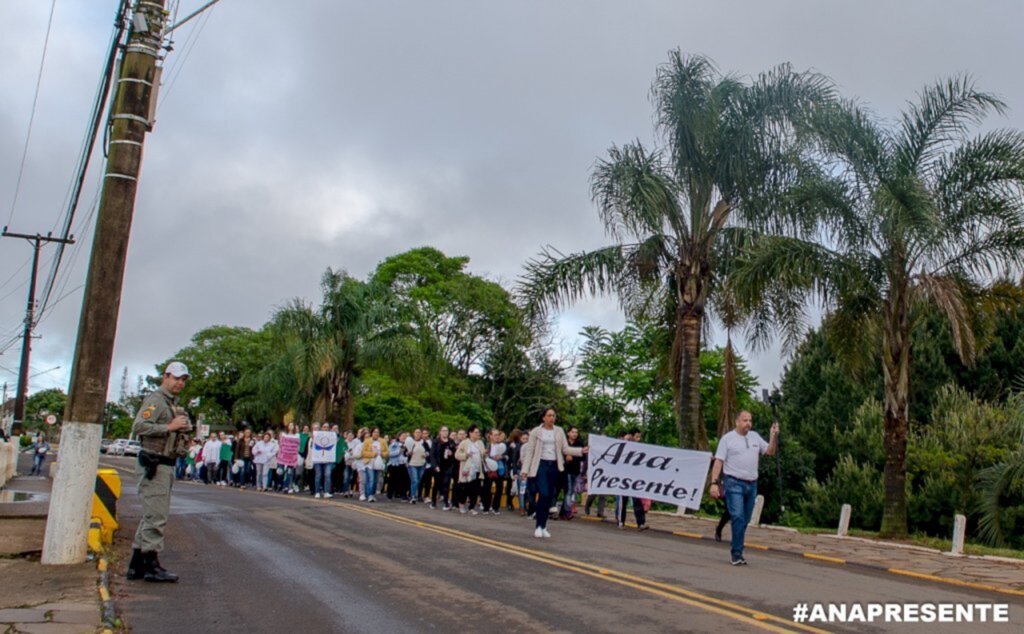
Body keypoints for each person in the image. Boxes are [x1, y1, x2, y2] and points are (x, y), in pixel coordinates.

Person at [127, 361, 192, 583]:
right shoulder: (156, 400)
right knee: (157, 516)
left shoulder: (171, 403)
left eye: (183, 380)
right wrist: (169, 427)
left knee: (150, 515)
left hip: (165, 463)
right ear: (165, 377)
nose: (180, 383)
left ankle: (136, 565)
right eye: (176, 378)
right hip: (154, 464)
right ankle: (151, 566)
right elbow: (139, 426)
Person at [709, 410, 779, 565]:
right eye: (745, 420)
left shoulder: (754, 437)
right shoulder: (728, 439)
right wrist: (714, 483)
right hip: (733, 482)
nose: (748, 423)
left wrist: (773, 436)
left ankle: (737, 549)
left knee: (745, 519)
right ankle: (737, 553)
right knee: (737, 516)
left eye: (750, 420)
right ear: (737, 422)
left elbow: (770, 452)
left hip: (751, 484)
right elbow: (718, 461)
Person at [519, 407, 587, 538]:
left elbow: (565, 449)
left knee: (550, 496)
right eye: (549, 415)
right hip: (541, 465)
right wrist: (525, 470)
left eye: (553, 416)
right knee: (543, 494)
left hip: (554, 465)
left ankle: (544, 526)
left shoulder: (559, 431)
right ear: (543, 417)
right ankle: (538, 525)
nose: (552, 418)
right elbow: (530, 452)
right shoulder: (536, 432)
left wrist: (580, 451)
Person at [616, 429, 648, 531]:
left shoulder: (640, 447)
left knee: (637, 501)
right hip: (623, 478)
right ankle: (621, 522)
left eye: (639, 437)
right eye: (637, 437)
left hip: (635, 478)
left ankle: (641, 523)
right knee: (623, 500)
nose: (639, 439)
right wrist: (625, 440)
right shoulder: (624, 445)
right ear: (631, 436)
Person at [455, 425, 486, 515]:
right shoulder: (465, 443)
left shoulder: (480, 443)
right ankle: (461, 503)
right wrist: (466, 455)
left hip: (477, 469)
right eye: (476, 432)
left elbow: (482, 454)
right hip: (467, 469)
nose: (478, 434)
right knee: (466, 488)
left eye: (478, 432)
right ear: (470, 433)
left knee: (475, 489)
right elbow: (457, 455)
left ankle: (471, 507)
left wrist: (485, 454)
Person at [559, 426, 583, 520]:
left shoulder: (579, 443)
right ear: (568, 433)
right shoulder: (564, 443)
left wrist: (573, 456)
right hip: (566, 470)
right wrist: (566, 457)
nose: (575, 434)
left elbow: (583, 457)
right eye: (573, 432)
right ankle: (567, 511)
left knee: (571, 491)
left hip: (575, 470)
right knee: (568, 491)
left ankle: (563, 511)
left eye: (576, 432)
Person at [430, 426, 457, 510]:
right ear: (440, 432)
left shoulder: (451, 441)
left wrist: (451, 453)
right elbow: (432, 455)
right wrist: (435, 466)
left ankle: (446, 503)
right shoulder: (436, 442)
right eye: (443, 431)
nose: (445, 432)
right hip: (438, 465)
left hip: (448, 466)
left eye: (447, 431)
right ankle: (433, 501)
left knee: (446, 483)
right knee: (437, 484)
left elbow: (455, 452)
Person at [310, 424, 339, 498]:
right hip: (318, 459)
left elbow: (336, 442)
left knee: (328, 475)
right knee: (318, 475)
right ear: (321, 428)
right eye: (324, 427)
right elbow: (312, 445)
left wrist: (335, 434)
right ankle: (317, 491)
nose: (326, 428)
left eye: (327, 427)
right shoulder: (316, 435)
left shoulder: (331, 436)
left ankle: (326, 491)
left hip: (328, 459)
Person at [361, 427, 387, 502]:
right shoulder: (367, 441)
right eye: (375, 432)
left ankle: (372, 493)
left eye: (378, 432)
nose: (376, 433)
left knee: (375, 480)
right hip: (369, 463)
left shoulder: (382, 441)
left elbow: (387, 452)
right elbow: (363, 453)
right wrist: (373, 454)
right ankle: (370, 495)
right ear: (371, 433)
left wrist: (382, 454)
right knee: (371, 479)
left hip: (378, 463)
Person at [405, 428, 429, 504]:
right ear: (413, 433)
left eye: (419, 432)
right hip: (412, 464)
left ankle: (416, 494)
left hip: (421, 464)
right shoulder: (410, 442)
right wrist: (408, 453)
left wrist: (426, 454)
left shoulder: (424, 443)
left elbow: (429, 452)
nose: (418, 434)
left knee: (418, 480)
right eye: (416, 432)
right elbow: (405, 452)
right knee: (414, 480)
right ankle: (413, 496)